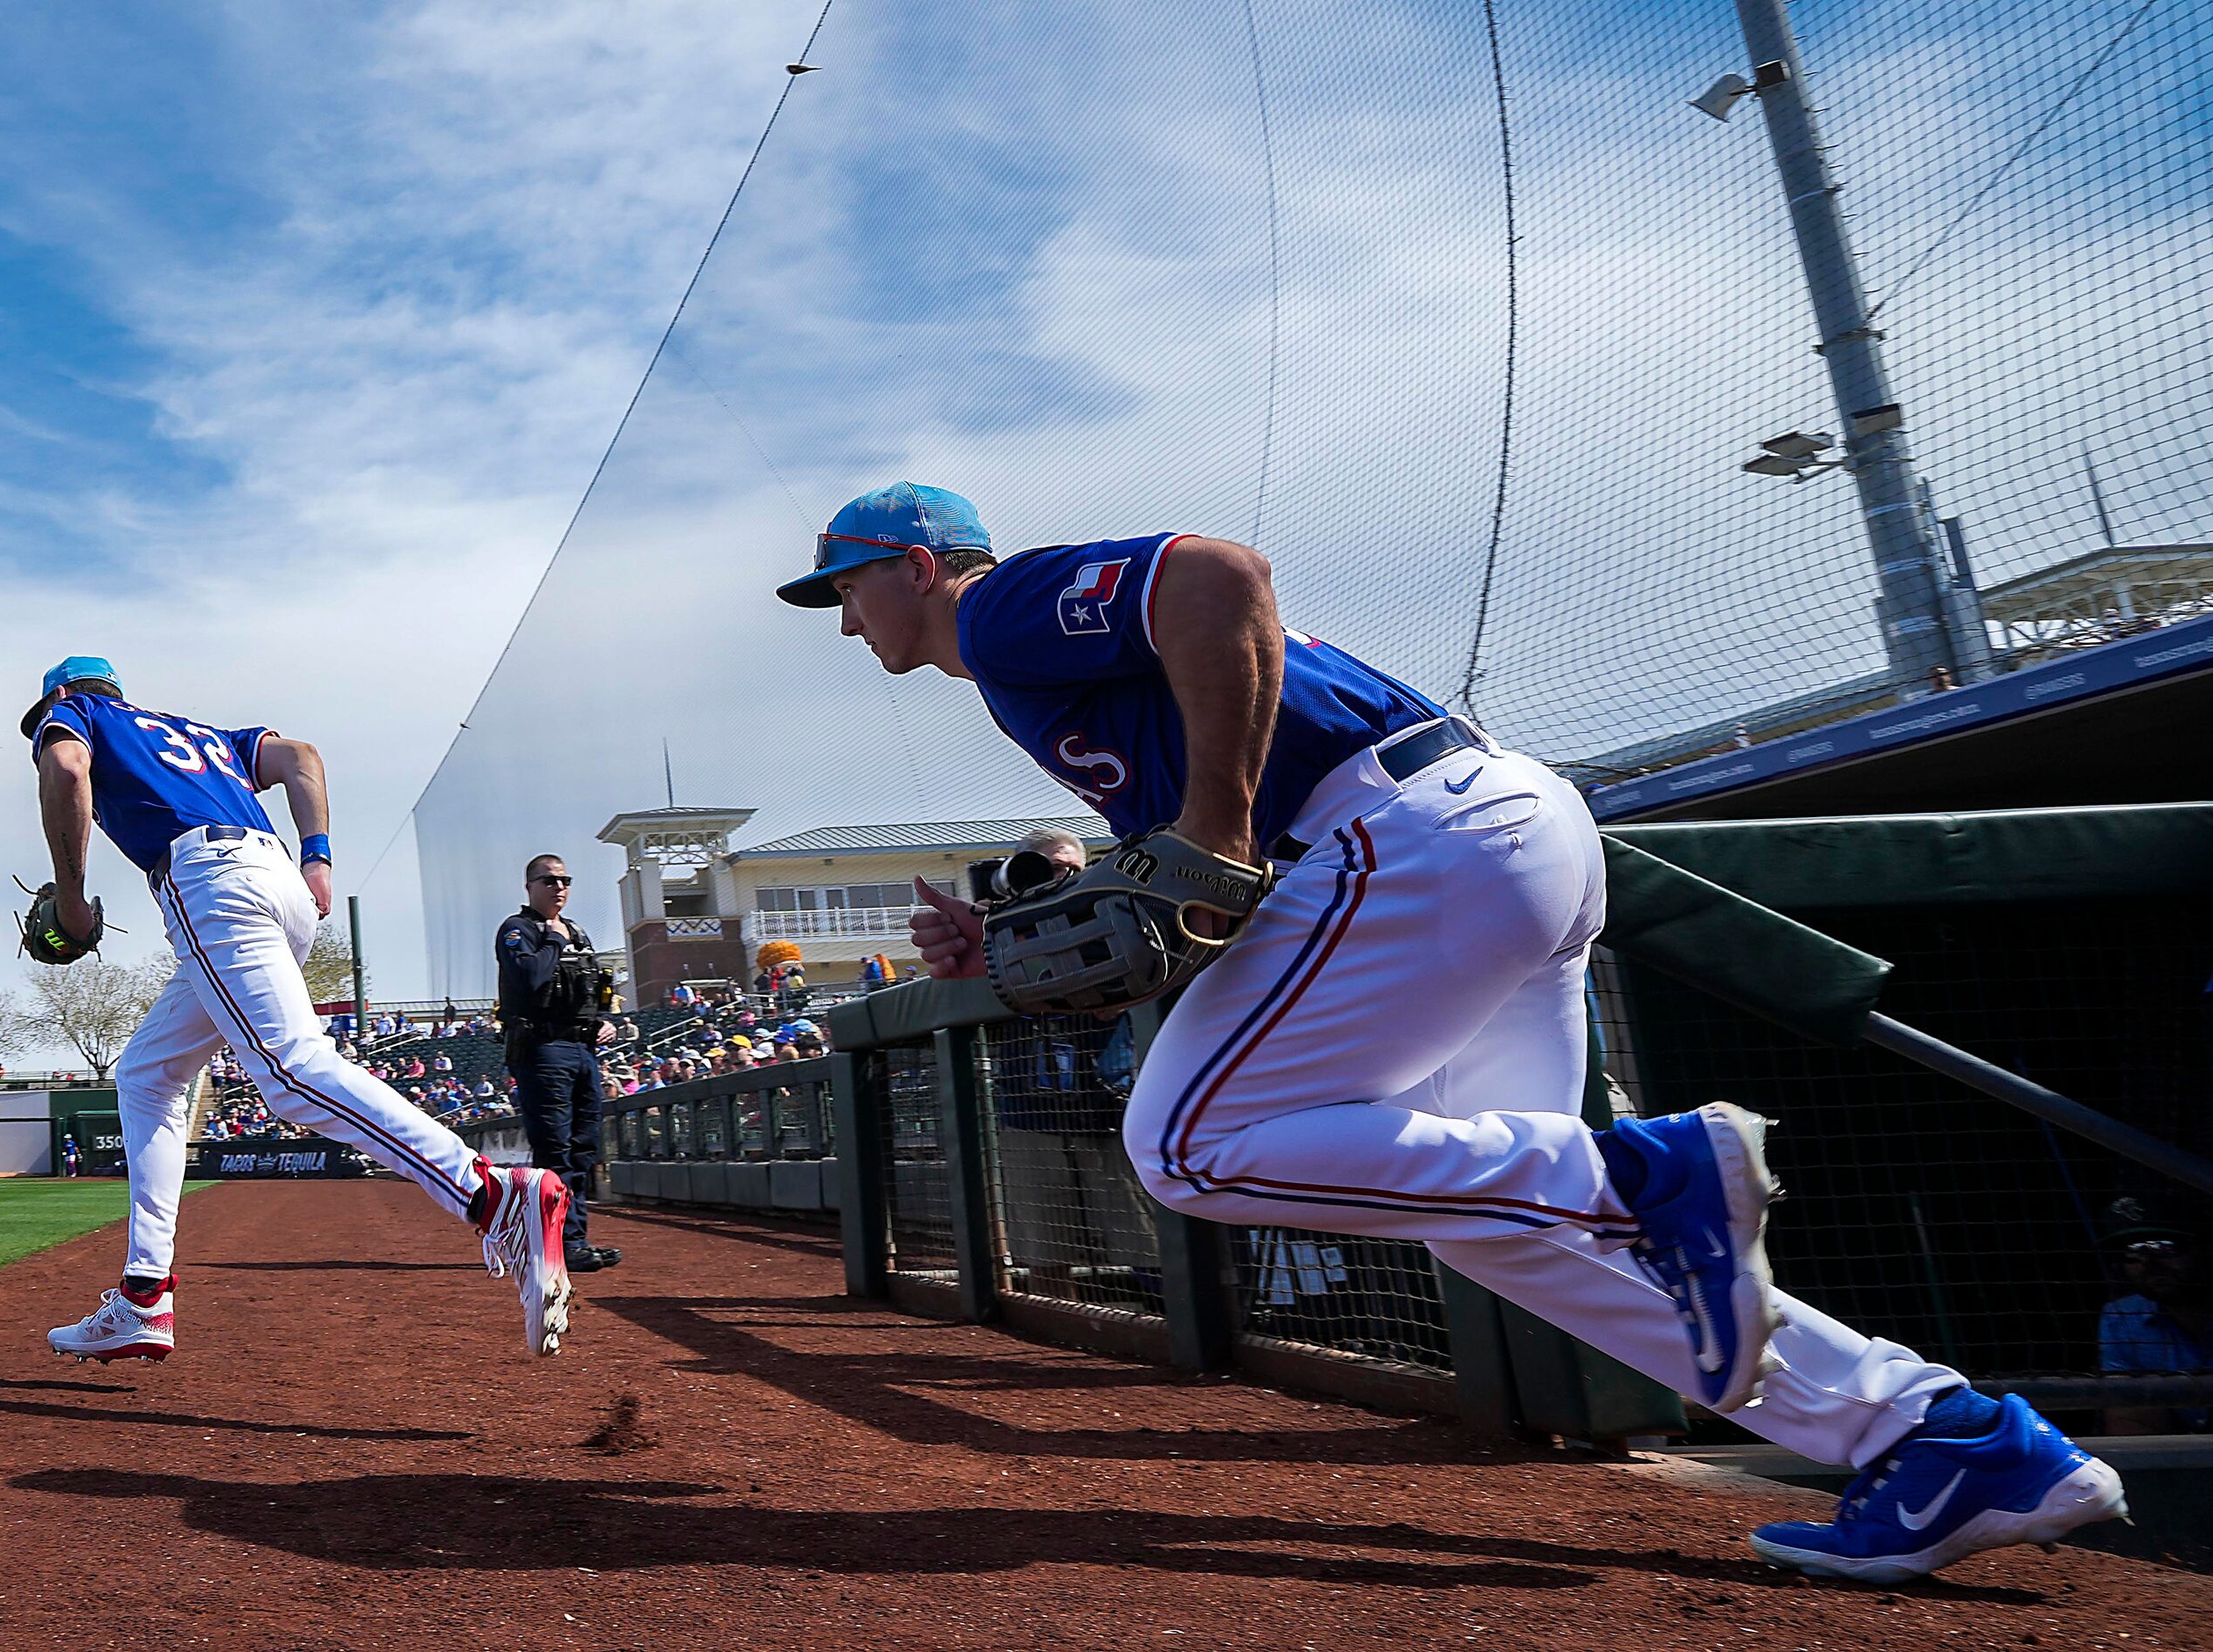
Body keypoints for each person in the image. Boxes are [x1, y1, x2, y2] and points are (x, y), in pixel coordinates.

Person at [778, 480, 2129, 1581]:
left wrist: (1220, 828)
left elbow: (1220, 576)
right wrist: (1046, 917)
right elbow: (1198, 884)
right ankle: (1941, 1435)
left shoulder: (1003, 607)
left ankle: (1640, 1172)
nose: (842, 625)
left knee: (1186, 1144)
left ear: (914, 564)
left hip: (1409, 834)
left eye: (842, 588)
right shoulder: (1044, 685)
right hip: (1482, 838)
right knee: (1502, 1219)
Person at [18, 654, 570, 1363]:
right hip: (278, 884)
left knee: (289, 1069)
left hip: (211, 882)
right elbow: (301, 757)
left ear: (63, 694)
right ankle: (143, 1296)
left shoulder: (81, 714)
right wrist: (317, 859)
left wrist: (71, 897)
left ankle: (492, 1195)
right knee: (148, 1074)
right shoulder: (202, 734)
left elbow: (65, 770)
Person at [497, 855, 623, 1274]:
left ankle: (575, 1239)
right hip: (543, 1048)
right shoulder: (518, 930)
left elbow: (598, 987)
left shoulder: (579, 933)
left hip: (583, 1049)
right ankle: (562, 1244)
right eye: (549, 881)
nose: (559, 888)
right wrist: (552, 939)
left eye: (565, 880)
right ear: (529, 886)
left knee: (585, 1148)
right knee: (556, 1151)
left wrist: (605, 1018)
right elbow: (530, 979)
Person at [2097, 1198, 2211, 1434]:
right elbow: (2131, 1418)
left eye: (2165, 1247)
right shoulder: (2121, 1317)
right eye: (2134, 1251)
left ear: (2204, 1249)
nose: (2150, 1263)